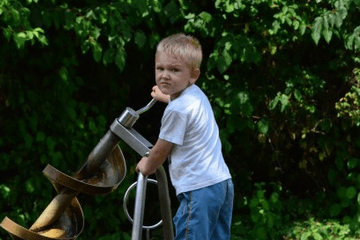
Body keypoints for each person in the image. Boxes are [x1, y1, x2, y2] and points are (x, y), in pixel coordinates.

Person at [136, 33, 234, 240]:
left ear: (193, 75)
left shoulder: (177, 110)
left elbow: (163, 148)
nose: (165, 75)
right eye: (160, 68)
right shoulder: (195, 94)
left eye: (174, 70)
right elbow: (184, 107)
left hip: (198, 189)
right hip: (221, 184)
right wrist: (166, 97)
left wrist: (148, 165)